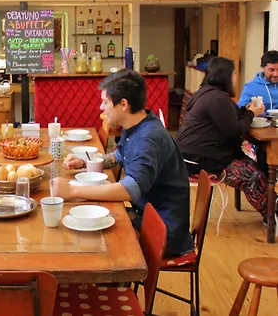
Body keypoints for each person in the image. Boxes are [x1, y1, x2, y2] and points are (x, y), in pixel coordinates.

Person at [53, 69, 194, 258]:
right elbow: (120, 156)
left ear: (124, 104)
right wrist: (84, 162)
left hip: (164, 232)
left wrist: (73, 191)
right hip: (143, 214)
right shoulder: (137, 124)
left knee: (89, 244)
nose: (101, 107)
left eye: (105, 102)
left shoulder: (148, 138)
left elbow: (130, 189)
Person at [176, 57, 270, 223]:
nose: (236, 77)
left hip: (189, 154)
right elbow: (234, 130)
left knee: (253, 169)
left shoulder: (206, 93)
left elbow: (228, 118)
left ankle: (271, 211)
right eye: (234, 73)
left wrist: (245, 111)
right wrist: (251, 113)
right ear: (226, 76)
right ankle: (272, 215)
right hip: (199, 159)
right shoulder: (217, 98)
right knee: (253, 175)